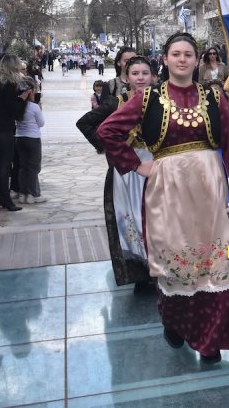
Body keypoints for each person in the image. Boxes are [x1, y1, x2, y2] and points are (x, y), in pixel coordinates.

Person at [97, 33, 229, 362]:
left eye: (188, 54)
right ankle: (176, 322)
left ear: (197, 61)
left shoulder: (213, 95)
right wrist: (136, 165)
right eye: (175, 54)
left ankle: (211, 341)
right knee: (177, 262)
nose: (182, 59)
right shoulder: (148, 97)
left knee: (215, 264)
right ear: (164, 60)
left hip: (209, 187)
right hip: (166, 190)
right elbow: (106, 131)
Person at [77, 56, 157, 291]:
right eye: (135, 73)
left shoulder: (162, 102)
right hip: (128, 171)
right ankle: (141, 273)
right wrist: (111, 149)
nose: (141, 77)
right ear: (127, 76)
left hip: (158, 167)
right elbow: (85, 124)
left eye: (145, 73)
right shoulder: (116, 102)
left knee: (158, 218)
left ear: (153, 76)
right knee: (130, 220)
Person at [0, 54, 28, 211]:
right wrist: (22, 98)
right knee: (4, 165)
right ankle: (5, 198)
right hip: (3, 128)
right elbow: (13, 109)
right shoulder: (10, 84)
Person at [15, 77, 45, 204]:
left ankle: (23, 193)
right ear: (30, 91)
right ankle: (33, 194)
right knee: (33, 167)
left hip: (19, 137)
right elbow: (41, 123)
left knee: (23, 166)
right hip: (33, 138)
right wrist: (40, 109)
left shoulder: (17, 105)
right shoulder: (33, 107)